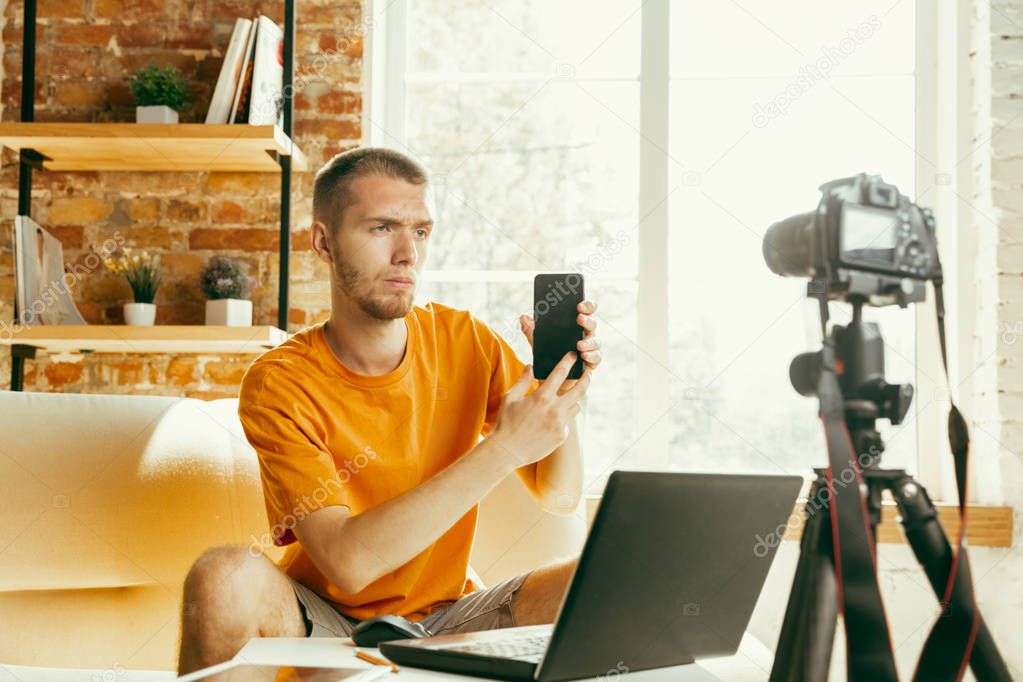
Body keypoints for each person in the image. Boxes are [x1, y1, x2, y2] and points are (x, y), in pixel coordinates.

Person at [176, 147, 602, 675]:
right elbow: (349, 565)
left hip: (449, 620)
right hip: (323, 622)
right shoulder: (280, 381)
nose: (408, 254)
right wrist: (504, 448)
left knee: (612, 579)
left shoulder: (465, 341)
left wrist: (562, 399)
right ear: (324, 242)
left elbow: (559, 497)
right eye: (382, 228)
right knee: (221, 576)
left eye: (421, 232)